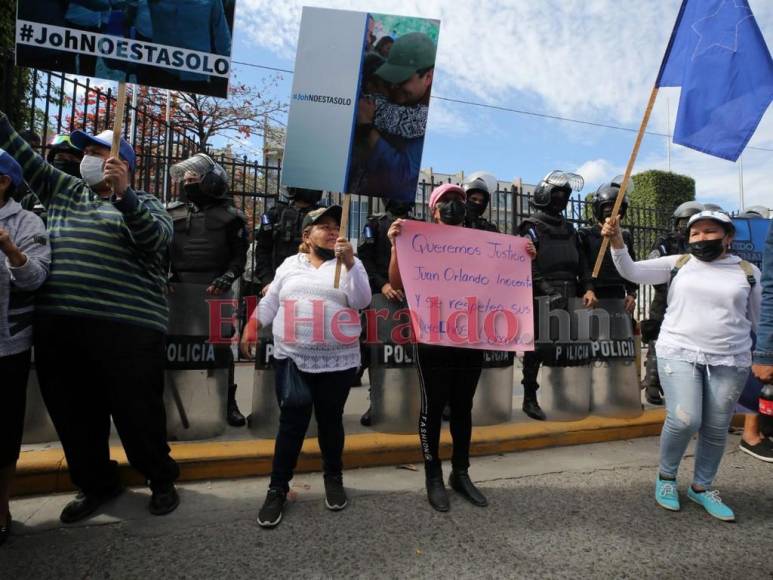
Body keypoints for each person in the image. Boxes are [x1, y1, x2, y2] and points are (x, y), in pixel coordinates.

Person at [0, 113, 181, 523]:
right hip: (61, 330)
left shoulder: (151, 204)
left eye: (97, 151)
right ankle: (98, 483)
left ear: (123, 164)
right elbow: (24, 156)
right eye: (86, 151)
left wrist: (125, 197)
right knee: (74, 416)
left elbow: (154, 241)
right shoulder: (64, 190)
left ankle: (160, 477)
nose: (86, 157)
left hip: (129, 331)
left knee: (138, 414)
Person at [603, 210, 761, 522]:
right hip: (679, 351)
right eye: (695, 233)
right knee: (685, 418)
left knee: (716, 427)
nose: (702, 238)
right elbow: (630, 270)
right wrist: (617, 239)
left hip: (731, 359)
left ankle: (702, 487)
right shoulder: (678, 264)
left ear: (728, 237)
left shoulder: (748, 272)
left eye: (710, 231)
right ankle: (666, 478)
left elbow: (759, 319)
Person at [387, 183, 536, 512]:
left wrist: (525, 257)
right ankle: (433, 476)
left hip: (471, 337)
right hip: (432, 338)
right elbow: (397, 284)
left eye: (459, 200)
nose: (454, 206)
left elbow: (507, 277)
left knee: (463, 406)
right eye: (446, 201)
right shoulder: (415, 238)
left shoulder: (484, 242)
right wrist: (397, 247)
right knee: (432, 407)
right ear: (433, 209)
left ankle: (461, 472)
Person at [240, 205, 372, 528]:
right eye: (322, 226)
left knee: (330, 420)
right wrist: (253, 325)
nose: (330, 230)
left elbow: (362, 300)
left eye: (333, 226)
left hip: (338, 361)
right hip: (292, 358)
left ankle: (333, 477)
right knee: (292, 420)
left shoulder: (351, 266)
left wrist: (351, 262)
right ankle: (277, 488)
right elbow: (272, 300)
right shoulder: (289, 265)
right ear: (306, 235)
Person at [167, 153, 249, 427]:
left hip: (216, 290)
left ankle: (227, 401)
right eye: (186, 178)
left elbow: (239, 258)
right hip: (178, 291)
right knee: (175, 347)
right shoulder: (170, 213)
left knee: (220, 348)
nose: (188, 181)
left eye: (195, 176)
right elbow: (160, 252)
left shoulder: (232, 217)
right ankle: (169, 402)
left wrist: (227, 277)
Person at [0, 151, 50, 546]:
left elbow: (34, 279)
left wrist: (10, 250)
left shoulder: (26, 223)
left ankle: (1, 511)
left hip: (7, 349)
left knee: (3, 435)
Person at [517, 170, 586, 421]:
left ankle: (560, 394)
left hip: (570, 291)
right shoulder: (531, 226)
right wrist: (546, 289)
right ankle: (529, 397)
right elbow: (526, 263)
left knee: (564, 348)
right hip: (541, 294)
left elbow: (583, 262)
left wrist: (586, 287)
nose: (560, 198)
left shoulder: (570, 228)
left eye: (564, 194)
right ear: (544, 194)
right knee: (537, 348)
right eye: (556, 193)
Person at [354, 32, 436, 202]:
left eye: (402, 78)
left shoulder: (423, 120)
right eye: (391, 76)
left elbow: (401, 175)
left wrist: (368, 127)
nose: (392, 85)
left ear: (428, 77)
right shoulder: (399, 99)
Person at [640, 201, 704, 405]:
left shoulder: (701, 244)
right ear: (677, 222)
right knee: (658, 340)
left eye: (691, 221)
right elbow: (652, 266)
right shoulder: (666, 241)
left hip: (694, 302)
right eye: (684, 221)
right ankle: (652, 383)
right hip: (666, 298)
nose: (686, 225)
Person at [357, 198, 414, 423]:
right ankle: (377, 401)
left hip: (413, 297)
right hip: (382, 297)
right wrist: (383, 284)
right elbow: (365, 260)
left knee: (414, 353)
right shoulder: (375, 225)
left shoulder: (419, 225)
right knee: (376, 351)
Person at [578, 179, 638, 312]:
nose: (612, 212)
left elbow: (631, 264)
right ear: (598, 209)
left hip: (618, 294)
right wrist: (588, 289)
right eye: (607, 208)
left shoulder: (625, 236)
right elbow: (583, 267)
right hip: (593, 294)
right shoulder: (585, 234)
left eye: (618, 208)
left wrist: (632, 293)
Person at [252, 187, 323, 298]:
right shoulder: (275, 214)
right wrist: (268, 281)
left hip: (313, 287)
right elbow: (263, 250)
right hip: (278, 284)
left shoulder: (324, 216)